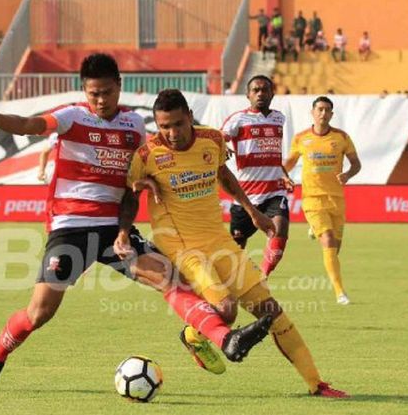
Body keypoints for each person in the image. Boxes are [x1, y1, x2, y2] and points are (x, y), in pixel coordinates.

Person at [0, 53, 272, 391]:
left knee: (171, 279)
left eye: (107, 92)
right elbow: (29, 126)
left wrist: (145, 183)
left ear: (119, 88)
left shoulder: (133, 126)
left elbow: (142, 169)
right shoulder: (72, 117)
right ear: (84, 90)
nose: (101, 100)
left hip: (115, 229)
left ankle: (226, 339)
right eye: (94, 93)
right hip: (71, 227)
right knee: (39, 313)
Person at [116, 89, 349, 398]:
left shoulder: (212, 139)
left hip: (220, 240)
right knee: (226, 312)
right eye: (163, 127)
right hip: (182, 246)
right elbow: (129, 196)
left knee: (273, 312)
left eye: (177, 124)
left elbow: (223, 174)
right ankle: (198, 335)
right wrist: (124, 227)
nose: (171, 133)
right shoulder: (147, 155)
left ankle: (317, 385)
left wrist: (252, 211)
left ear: (189, 117)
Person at [282, 96, 361, 305]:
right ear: (312, 112)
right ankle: (340, 293)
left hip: (335, 199)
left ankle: (314, 230)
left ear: (332, 114)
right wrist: (284, 176)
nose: (323, 113)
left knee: (335, 248)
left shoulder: (342, 138)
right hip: (312, 198)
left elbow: (356, 164)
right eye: (320, 109)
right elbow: (288, 163)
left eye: (327, 110)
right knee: (327, 240)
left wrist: (348, 175)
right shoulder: (301, 138)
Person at [220, 76, 289, 276]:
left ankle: (262, 277)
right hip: (245, 196)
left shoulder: (279, 118)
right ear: (248, 95)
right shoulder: (238, 119)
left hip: (274, 192)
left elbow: (273, 153)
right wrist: (222, 146)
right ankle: (228, 281)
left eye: (264, 90)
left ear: (272, 94)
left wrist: (284, 174)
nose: (260, 94)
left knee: (279, 234)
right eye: (256, 90)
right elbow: (219, 137)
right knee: (236, 246)